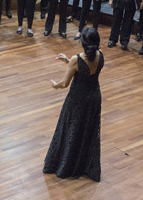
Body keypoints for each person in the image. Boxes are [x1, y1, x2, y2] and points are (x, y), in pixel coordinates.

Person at [43, 26, 103, 181]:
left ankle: (65, 165)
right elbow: (87, 70)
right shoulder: (101, 54)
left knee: (71, 129)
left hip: (78, 99)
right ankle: (82, 164)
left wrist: (54, 84)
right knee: (86, 130)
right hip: (94, 97)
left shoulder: (77, 59)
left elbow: (64, 84)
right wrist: (68, 62)